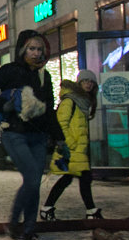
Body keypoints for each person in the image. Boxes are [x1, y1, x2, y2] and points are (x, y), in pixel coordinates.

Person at [0, 29, 68, 240]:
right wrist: (3, 105)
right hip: (15, 134)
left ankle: (28, 230)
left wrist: (59, 138)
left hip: (37, 136)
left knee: (32, 183)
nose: (36, 53)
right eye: (32, 49)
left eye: (39, 49)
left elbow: (49, 110)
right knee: (33, 179)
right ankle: (13, 223)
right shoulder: (10, 70)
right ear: (23, 50)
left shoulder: (43, 75)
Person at [40, 70, 101, 220]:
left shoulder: (83, 102)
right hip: (70, 148)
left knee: (70, 178)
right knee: (83, 178)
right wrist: (71, 143)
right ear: (79, 83)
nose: (88, 84)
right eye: (85, 81)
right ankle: (91, 211)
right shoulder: (71, 101)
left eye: (91, 82)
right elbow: (61, 124)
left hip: (78, 149)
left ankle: (47, 208)